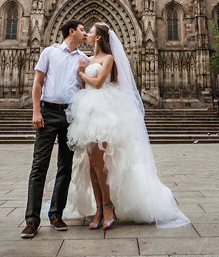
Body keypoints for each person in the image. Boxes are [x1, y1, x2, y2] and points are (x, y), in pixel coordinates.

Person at [64, 22, 190, 229]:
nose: (86, 33)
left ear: (98, 38)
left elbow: (97, 83)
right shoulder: (86, 59)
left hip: (102, 110)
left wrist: (81, 73)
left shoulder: (108, 58)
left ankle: (107, 206)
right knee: (91, 162)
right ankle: (98, 208)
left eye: (91, 32)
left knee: (100, 161)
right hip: (86, 111)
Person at [22, 19, 88, 239]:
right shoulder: (49, 53)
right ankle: (32, 220)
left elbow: (94, 79)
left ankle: (56, 214)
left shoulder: (83, 59)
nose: (84, 32)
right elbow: (38, 83)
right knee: (39, 166)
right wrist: (36, 112)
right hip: (47, 113)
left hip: (70, 115)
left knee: (65, 167)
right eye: (82, 29)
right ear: (72, 31)